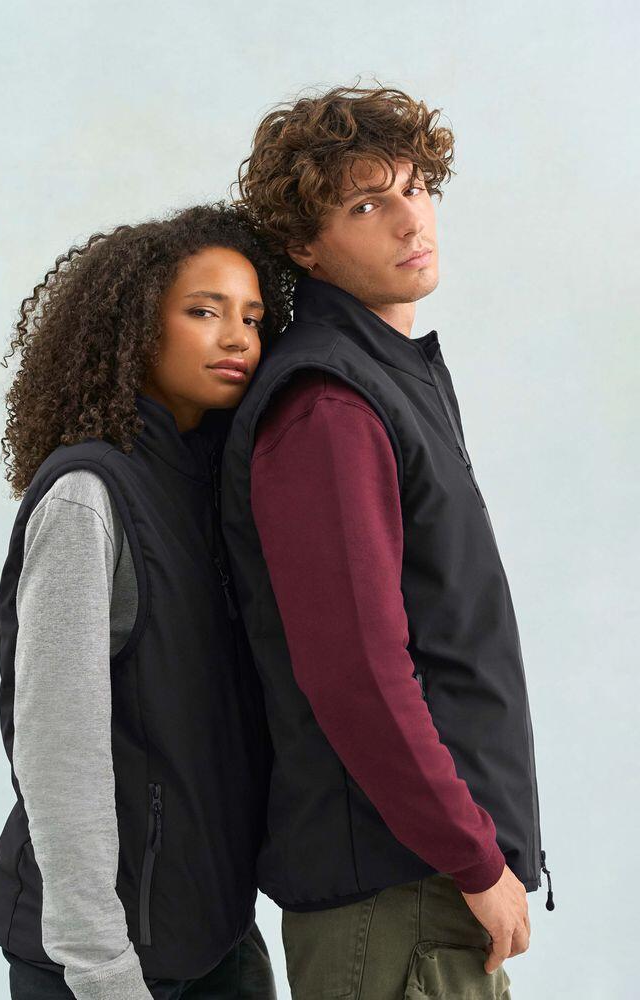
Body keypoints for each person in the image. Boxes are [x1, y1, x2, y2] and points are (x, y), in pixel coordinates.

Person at [220, 83, 555, 998]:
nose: (412, 220)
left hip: (424, 882)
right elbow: (355, 671)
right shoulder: (329, 406)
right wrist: (473, 854)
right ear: (305, 245)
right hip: (398, 890)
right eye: (368, 206)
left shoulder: (388, 378)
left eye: (416, 188)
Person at [0, 202, 290, 1000]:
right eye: (204, 312)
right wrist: (101, 966)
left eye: (252, 319)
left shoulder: (209, 487)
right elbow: (58, 750)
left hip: (214, 936)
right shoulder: (88, 495)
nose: (237, 339)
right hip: (104, 960)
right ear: (135, 325)